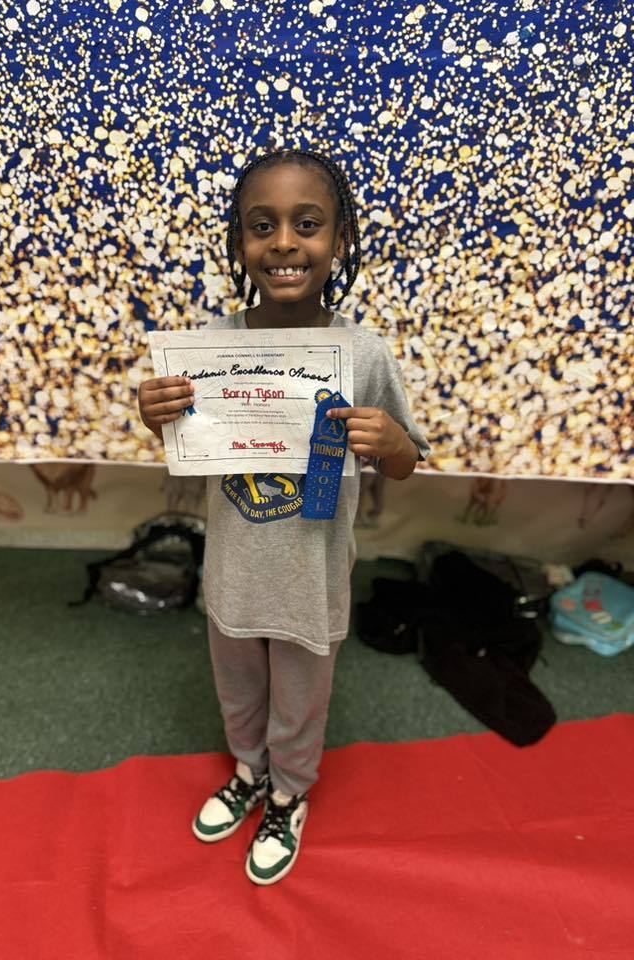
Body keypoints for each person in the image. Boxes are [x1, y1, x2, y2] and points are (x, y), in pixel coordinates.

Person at [138, 148, 430, 885]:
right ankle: (248, 770)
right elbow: (188, 440)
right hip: (234, 567)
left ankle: (289, 791)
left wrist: (394, 444)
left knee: (300, 691)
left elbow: (406, 459)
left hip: (312, 571)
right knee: (237, 681)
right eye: (261, 226)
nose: (285, 244)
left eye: (308, 224)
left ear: (341, 239)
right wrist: (155, 415)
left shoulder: (362, 352)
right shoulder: (207, 347)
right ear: (239, 244)